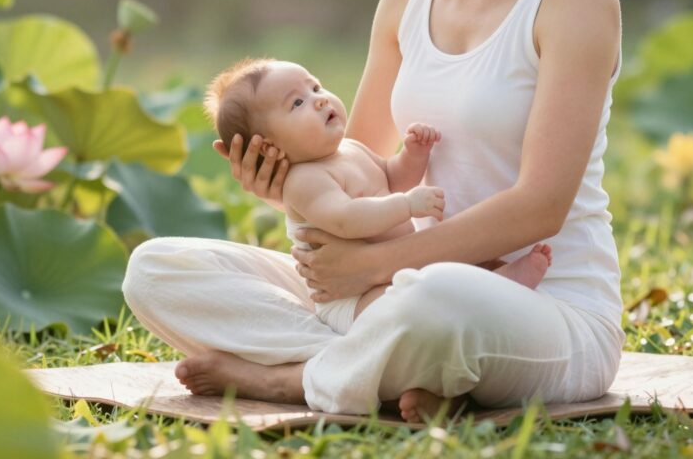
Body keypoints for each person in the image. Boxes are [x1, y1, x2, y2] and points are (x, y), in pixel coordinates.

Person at [123, 0, 624, 423]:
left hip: (538, 308)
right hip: (385, 289)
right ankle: (388, 370)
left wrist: (378, 270)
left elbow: (540, 207)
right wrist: (292, 186)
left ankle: (292, 378)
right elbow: (355, 164)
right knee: (157, 270)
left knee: (437, 302)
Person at [202, 57, 554, 336]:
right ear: (269, 146)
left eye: (314, 87)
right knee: (403, 308)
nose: (319, 98)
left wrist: (414, 154)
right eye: (297, 102)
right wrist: (406, 205)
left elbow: (391, 176)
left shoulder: (349, 149)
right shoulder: (304, 181)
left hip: (393, 266)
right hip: (351, 297)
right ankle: (489, 294)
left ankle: (499, 282)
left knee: (447, 275)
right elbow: (347, 218)